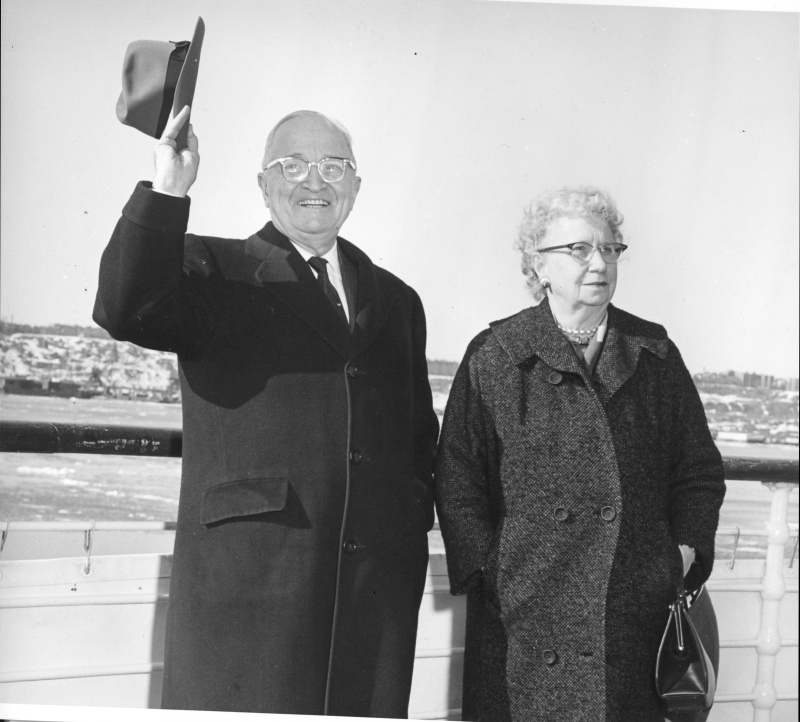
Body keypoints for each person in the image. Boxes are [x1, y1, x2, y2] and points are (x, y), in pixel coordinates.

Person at [93, 106, 439, 717]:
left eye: (333, 166)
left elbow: (417, 436)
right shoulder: (214, 270)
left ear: (357, 184)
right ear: (263, 183)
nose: (314, 181)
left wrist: (407, 520)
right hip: (248, 594)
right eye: (293, 165)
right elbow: (126, 308)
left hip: (373, 598)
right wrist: (169, 186)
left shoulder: (397, 299)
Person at [434, 186, 725, 721]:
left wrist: (678, 559)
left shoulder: (654, 353)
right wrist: (494, 572)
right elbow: (457, 481)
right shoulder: (495, 355)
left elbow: (698, 472)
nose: (599, 263)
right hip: (522, 618)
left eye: (610, 249)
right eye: (579, 249)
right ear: (538, 264)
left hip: (632, 613)